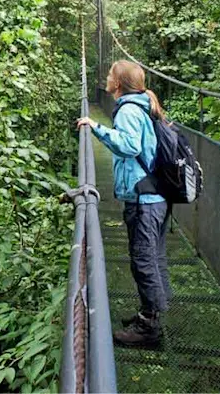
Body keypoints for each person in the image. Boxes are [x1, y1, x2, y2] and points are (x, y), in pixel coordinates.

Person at [76, 59, 171, 346]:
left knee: (143, 261)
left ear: (118, 83)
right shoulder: (143, 104)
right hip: (155, 196)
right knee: (152, 258)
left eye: (109, 75)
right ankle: (148, 314)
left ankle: (150, 329)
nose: (106, 77)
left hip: (145, 200)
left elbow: (130, 146)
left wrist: (96, 127)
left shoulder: (129, 110)